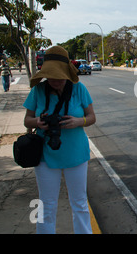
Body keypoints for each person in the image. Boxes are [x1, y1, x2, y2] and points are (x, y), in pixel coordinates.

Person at [23, 46, 96, 234]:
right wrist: (38, 122)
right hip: (45, 156)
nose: (55, 80)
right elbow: (27, 120)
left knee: (79, 202)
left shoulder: (79, 89)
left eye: (59, 76)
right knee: (46, 204)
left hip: (76, 155)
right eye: (51, 76)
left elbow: (92, 117)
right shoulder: (38, 90)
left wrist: (79, 121)